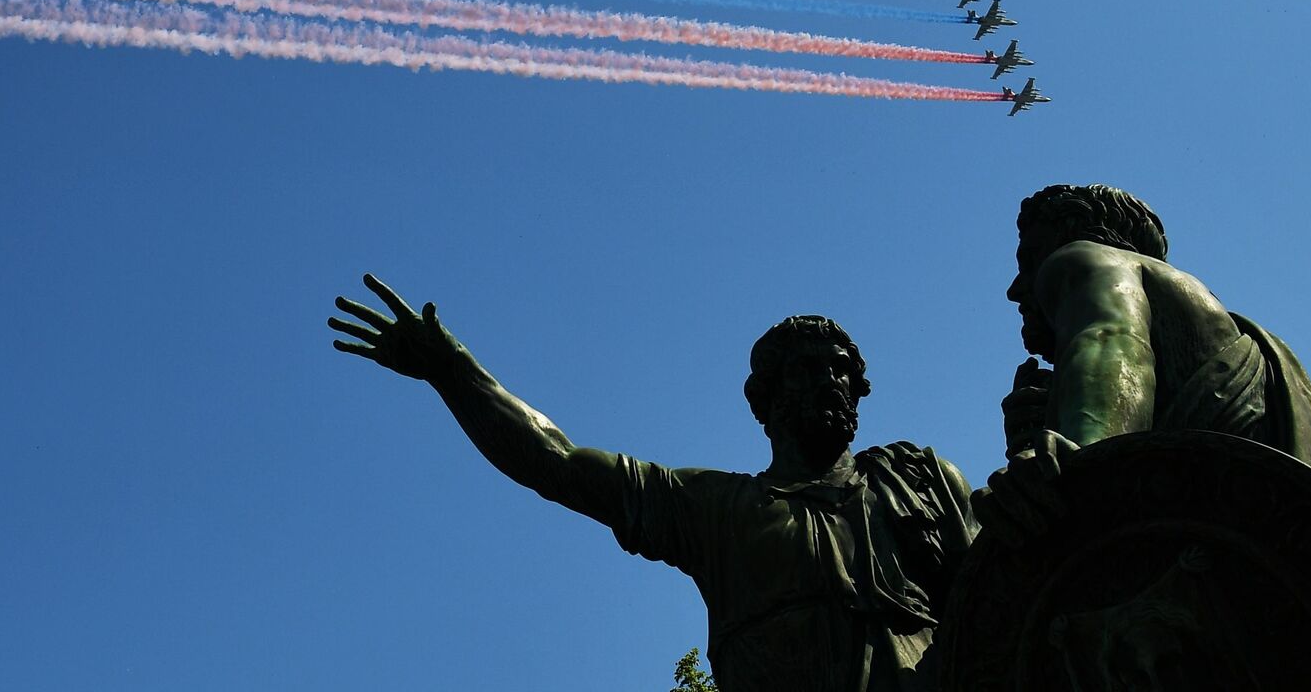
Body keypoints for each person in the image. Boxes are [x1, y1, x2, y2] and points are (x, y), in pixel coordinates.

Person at [331, 274, 976, 692]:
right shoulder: (718, 509)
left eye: (842, 370)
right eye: (809, 370)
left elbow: (1002, 592)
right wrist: (454, 372)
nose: (831, 381)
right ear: (767, 401)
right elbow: (556, 461)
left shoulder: (918, 481)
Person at [978, 184, 1311, 542]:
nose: (1015, 289)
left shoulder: (1084, 258)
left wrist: (1080, 456)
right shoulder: (1205, 318)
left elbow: (1112, 340)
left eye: (1029, 260)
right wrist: (1041, 431)